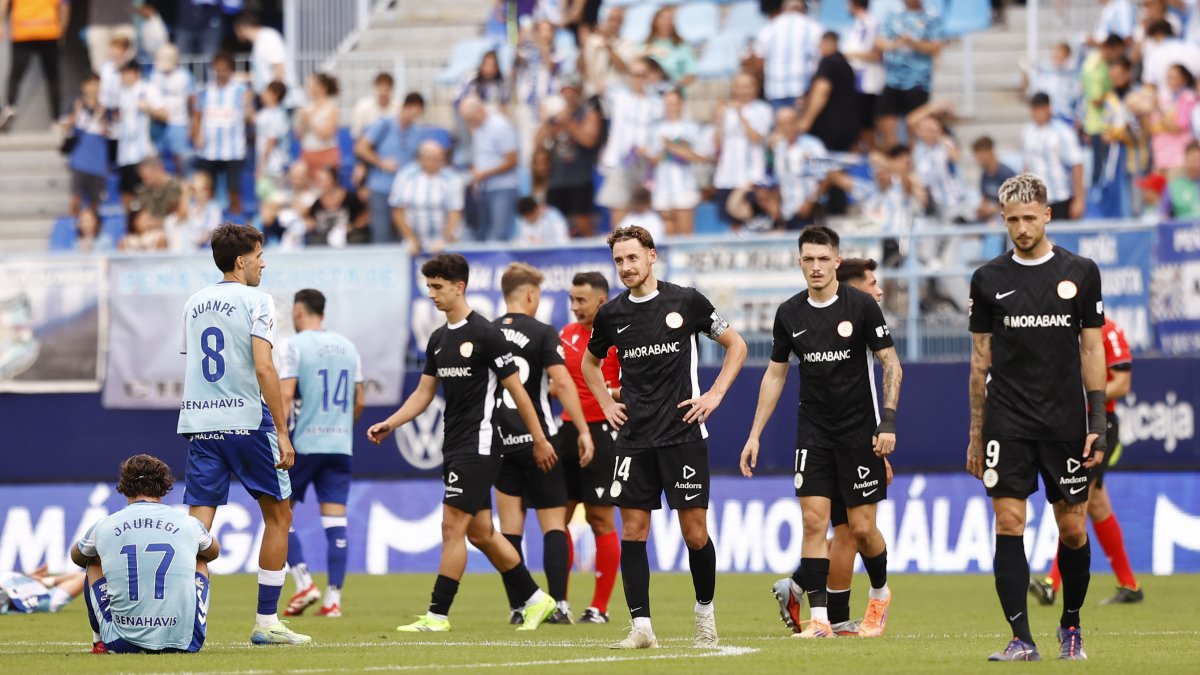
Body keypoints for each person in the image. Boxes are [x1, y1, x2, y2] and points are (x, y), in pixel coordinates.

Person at [366, 253, 559, 633]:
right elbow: (423, 395)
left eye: (438, 287)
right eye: (428, 288)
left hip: (482, 445)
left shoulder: (487, 334)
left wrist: (539, 439)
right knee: (481, 533)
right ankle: (537, 600)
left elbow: (519, 393)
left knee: (451, 528)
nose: (431, 295)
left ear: (460, 287)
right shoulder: (438, 339)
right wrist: (391, 422)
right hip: (454, 445)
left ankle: (437, 615)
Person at [582, 225, 748, 649]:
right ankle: (641, 628)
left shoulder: (685, 301)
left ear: (652, 256)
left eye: (632, 258)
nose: (625, 267)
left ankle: (705, 619)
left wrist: (714, 395)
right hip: (634, 439)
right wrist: (605, 404)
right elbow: (589, 364)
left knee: (694, 533)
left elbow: (737, 346)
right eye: (619, 260)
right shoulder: (611, 314)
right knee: (633, 531)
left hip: (682, 435)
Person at [966, 173, 1107, 662]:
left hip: (1065, 420)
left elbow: (1092, 349)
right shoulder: (988, 279)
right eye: (1012, 221)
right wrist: (975, 432)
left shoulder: (1081, 272)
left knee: (1072, 529)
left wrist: (1099, 421)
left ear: (1047, 214)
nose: (1022, 228)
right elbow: (980, 361)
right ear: (1002, 220)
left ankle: (1071, 625)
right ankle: (1021, 638)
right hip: (1007, 419)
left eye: (1030, 218)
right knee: (1008, 522)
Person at [740, 226, 901, 640]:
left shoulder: (862, 306)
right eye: (807, 259)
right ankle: (819, 620)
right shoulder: (789, 313)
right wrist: (755, 432)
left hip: (859, 433)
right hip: (813, 432)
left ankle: (880, 595)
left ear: (835, 260)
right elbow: (775, 375)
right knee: (814, 523)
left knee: (862, 529)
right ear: (800, 263)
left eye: (822, 259)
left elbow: (891, 364)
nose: (815, 267)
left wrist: (887, 423)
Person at [177, 223, 311, 645]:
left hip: (201, 424)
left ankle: (181, 622)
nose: (263, 262)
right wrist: (284, 432)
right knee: (279, 516)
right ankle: (267, 624)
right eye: (259, 255)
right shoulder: (258, 300)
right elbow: (263, 366)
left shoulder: (194, 303)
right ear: (241, 261)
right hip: (248, 423)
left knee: (198, 528)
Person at [491, 263, 595, 624]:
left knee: (509, 529)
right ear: (531, 295)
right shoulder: (542, 332)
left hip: (499, 442)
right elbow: (562, 384)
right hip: (541, 442)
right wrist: (582, 429)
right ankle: (560, 606)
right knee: (553, 525)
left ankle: (520, 606)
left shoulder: (486, 333)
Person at [1030, 317, 1143, 608]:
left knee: (1077, 499)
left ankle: (1052, 583)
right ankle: (1129, 584)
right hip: (1069, 424)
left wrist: (1082, 393)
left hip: (1099, 426)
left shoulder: (1109, 330)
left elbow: (1123, 382)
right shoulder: (1059, 325)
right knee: (1095, 504)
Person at [72, 454, 219, 654]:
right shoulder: (189, 523)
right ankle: (181, 627)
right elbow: (214, 551)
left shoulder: (105, 524)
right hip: (186, 643)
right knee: (200, 558)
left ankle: (99, 641)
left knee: (93, 561)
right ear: (164, 485)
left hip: (122, 642)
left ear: (124, 486)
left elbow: (77, 556)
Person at [277, 289, 365, 619]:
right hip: (340, 447)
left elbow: (285, 396)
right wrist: (341, 427)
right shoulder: (349, 347)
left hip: (304, 445)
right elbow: (360, 401)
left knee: (279, 514)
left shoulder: (294, 346)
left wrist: (280, 437)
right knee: (336, 523)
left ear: (299, 312)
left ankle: (303, 583)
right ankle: (333, 601)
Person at [559, 272, 623, 624]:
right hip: (566, 431)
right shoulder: (565, 336)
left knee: (600, 519)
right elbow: (557, 383)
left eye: (581, 300)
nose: (574, 306)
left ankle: (599, 607)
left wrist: (609, 394)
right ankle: (561, 603)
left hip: (602, 433)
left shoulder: (618, 336)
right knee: (558, 519)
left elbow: (631, 387)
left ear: (601, 300)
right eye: (571, 299)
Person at [357, 93, 431, 245]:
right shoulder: (384, 125)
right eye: (412, 112)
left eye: (417, 114)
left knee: (403, 233)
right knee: (381, 232)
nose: (413, 117)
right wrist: (381, 162)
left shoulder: (417, 132)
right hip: (381, 187)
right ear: (405, 107)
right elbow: (361, 148)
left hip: (404, 190)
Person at [596, 58, 663, 225]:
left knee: (647, 212)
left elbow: (660, 134)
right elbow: (596, 81)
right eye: (633, 74)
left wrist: (651, 151)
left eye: (641, 75)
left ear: (649, 76)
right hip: (621, 162)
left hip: (646, 164)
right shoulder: (619, 96)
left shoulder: (657, 103)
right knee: (619, 210)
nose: (637, 79)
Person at [538, 74, 601, 237]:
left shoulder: (588, 113)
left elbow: (588, 140)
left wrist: (568, 122)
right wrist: (545, 122)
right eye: (565, 91)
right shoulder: (555, 116)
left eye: (572, 91)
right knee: (554, 223)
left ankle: (591, 257)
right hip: (557, 178)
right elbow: (541, 143)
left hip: (579, 177)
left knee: (583, 222)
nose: (568, 95)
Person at [876, 0, 944, 149]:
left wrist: (913, 42)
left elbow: (936, 47)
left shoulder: (931, 16)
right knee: (887, 128)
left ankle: (913, 166)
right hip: (893, 80)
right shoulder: (893, 13)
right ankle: (893, 164)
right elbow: (880, 41)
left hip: (918, 81)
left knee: (914, 132)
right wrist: (894, 44)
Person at [192, 53, 253, 215]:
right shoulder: (205, 90)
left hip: (233, 149)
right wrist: (196, 134)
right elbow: (197, 114)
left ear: (231, 70)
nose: (221, 71)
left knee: (234, 189)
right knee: (207, 189)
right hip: (208, 148)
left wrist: (248, 106)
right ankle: (209, 221)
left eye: (224, 68)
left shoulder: (241, 91)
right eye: (218, 68)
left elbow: (250, 116)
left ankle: (237, 223)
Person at [712, 73, 773, 228]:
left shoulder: (762, 109)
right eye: (740, 86)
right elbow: (717, 143)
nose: (744, 90)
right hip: (727, 174)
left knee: (753, 221)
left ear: (755, 88)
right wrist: (718, 121)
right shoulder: (726, 110)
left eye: (748, 86)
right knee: (733, 225)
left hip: (751, 174)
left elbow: (756, 138)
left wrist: (740, 114)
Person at [460, 96, 521, 242]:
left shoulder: (500, 126)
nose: (469, 123)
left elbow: (512, 160)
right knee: (481, 233)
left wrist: (484, 174)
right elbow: (481, 158)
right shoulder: (478, 130)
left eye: (469, 119)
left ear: (479, 111)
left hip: (503, 188)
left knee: (499, 234)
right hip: (483, 188)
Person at [0, 0, 69, 128]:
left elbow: (4, 2)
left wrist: (1, 22)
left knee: (16, 74)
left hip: (23, 30)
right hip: (48, 30)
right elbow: (64, 5)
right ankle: (57, 117)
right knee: (53, 77)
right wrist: (62, 30)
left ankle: (10, 106)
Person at [389, 140, 465, 254]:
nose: (436, 162)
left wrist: (444, 240)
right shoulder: (405, 176)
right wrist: (411, 239)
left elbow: (455, 212)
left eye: (439, 158)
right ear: (420, 159)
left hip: (444, 241)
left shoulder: (452, 179)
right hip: (413, 242)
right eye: (431, 158)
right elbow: (397, 211)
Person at [648, 89, 706, 235]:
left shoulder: (691, 127)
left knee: (685, 232)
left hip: (685, 185)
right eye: (668, 103)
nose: (671, 107)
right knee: (667, 232)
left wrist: (671, 146)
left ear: (681, 104)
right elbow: (653, 159)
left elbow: (699, 156)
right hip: (662, 187)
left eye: (674, 103)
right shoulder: (656, 129)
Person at [1022, 93, 1084, 221]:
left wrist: (1079, 199)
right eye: (1035, 109)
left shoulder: (1062, 132)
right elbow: (1027, 167)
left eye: (1041, 109)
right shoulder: (1028, 132)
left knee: (1063, 239)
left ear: (1048, 108)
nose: (1038, 114)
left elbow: (1076, 164)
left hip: (1061, 198)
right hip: (1038, 202)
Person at [752, 0, 823, 110]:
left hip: (775, 90)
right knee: (798, 125)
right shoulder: (814, 27)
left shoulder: (770, 27)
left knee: (780, 125)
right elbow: (822, 59)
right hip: (803, 89)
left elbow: (758, 60)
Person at [798, 32, 860, 154]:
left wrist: (806, 120)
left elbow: (822, 91)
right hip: (848, 127)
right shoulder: (847, 66)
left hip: (828, 127)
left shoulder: (828, 62)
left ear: (825, 43)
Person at [116, 61, 165, 209]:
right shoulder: (121, 92)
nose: (123, 77)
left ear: (136, 72)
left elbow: (165, 114)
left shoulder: (148, 89)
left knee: (149, 193)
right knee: (126, 194)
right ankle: (131, 226)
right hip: (125, 154)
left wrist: (148, 109)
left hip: (144, 152)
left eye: (126, 72)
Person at [63, 73, 109, 216]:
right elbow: (65, 125)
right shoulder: (76, 104)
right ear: (84, 86)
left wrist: (101, 117)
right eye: (91, 84)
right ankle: (74, 226)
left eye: (97, 84)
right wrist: (76, 112)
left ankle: (93, 228)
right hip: (80, 158)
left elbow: (109, 132)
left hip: (98, 161)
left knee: (95, 201)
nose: (94, 88)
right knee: (76, 198)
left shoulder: (105, 107)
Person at [844, 0, 884, 149]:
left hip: (867, 83)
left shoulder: (869, 23)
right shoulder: (860, 23)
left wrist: (848, 55)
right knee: (859, 126)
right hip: (859, 82)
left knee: (866, 126)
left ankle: (876, 162)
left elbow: (876, 54)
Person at [149, 45, 195, 175]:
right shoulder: (154, 74)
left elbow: (192, 101)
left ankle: (182, 186)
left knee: (180, 159)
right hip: (158, 123)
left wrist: (192, 124)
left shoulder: (185, 76)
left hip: (179, 122)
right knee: (156, 158)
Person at [234, 13, 296, 103]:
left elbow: (278, 65)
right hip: (269, 99)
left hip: (281, 100)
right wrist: (244, 77)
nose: (237, 36)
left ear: (244, 27)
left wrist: (276, 94)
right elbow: (260, 74)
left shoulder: (268, 37)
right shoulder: (258, 42)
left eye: (237, 31)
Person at [1148, 64, 1198, 173]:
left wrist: (1158, 110)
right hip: (1160, 157)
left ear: (1184, 79)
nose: (1171, 81)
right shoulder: (1165, 100)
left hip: (1178, 158)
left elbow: (1179, 126)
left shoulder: (1187, 98)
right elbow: (1151, 127)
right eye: (1169, 77)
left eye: (1175, 77)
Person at [580, 6, 637, 98]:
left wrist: (607, 45)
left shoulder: (628, 44)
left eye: (617, 20)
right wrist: (582, 47)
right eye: (611, 19)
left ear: (622, 23)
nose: (613, 24)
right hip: (592, 93)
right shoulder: (592, 40)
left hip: (616, 94)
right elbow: (582, 68)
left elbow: (624, 68)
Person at [307, 166, 369, 247]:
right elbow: (311, 220)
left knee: (357, 239)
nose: (321, 184)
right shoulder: (316, 203)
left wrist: (353, 226)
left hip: (350, 235)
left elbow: (365, 215)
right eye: (318, 181)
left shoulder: (351, 198)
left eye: (323, 180)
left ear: (334, 180)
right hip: (325, 237)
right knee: (315, 242)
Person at [165, 171, 223, 251]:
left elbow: (210, 232)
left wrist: (196, 238)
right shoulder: (191, 207)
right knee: (171, 222)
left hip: (205, 249)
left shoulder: (213, 208)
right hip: (190, 245)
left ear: (207, 190)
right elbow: (179, 218)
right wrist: (187, 193)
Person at [1024, 43, 1079, 126]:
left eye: (1060, 56)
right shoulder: (1046, 75)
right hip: (1049, 120)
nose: (1057, 59)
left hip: (1066, 120)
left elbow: (1077, 101)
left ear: (1067, 57)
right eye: (1055, 55)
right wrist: (1025, 72)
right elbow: (1030, 89)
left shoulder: (1073, 77)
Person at [296, 73, 341, 173]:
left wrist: (309, 120)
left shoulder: (331, 108)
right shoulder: (306, 108)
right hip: (307, 152)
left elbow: (326, 134)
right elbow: (299, 136)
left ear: (323, 87)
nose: (309, 88)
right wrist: (302, 122)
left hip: (325, 153)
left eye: (312, 85)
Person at [642, 6, 696, 89]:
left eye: (670, 19)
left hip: (673, 95)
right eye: (663, 18)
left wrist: (674, 88)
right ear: (655, 21)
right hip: (650, 94)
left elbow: (691, 73)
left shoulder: (682, 47)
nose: (667, 22)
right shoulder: (644, 46)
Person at [255, 81, 291, 202]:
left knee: (277, 201)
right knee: (265, 201)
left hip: (275, 167)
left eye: (266, 91)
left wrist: (261, 168)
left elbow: (271, 142)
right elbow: (253, 120)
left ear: (275, 94)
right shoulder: (265, 112)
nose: (262, 94)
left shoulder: (279, 115)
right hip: (267, 166)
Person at [0, 566, 84, 614]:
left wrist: (30, 579)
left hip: (32, 591)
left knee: (83, 577)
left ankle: (45, 581)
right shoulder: (49, 601)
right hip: (35, 599)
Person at [973, 136, 1017, 222]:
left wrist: (993, 210)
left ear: (990, 152)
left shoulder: (1007, 174)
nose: (977, 160)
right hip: (991, 217)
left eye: (980, 157)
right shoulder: (984, 175)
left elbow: (1015, 205)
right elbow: (984, 198)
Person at [351, 72, 398, 139]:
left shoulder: (399, 108)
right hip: (367, 145)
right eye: (381, 86)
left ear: (391, 88)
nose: (383, 90)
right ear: (375, 87)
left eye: (387, 86)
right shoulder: (362, 107)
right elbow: (356, 134)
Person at [1160, 141, 1200, 218]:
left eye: (1198, 161)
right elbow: (1162, 215)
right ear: (1185, 161)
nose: (1196, 165)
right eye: (1192, 161)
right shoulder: (1173, 187)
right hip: (1182, 228)